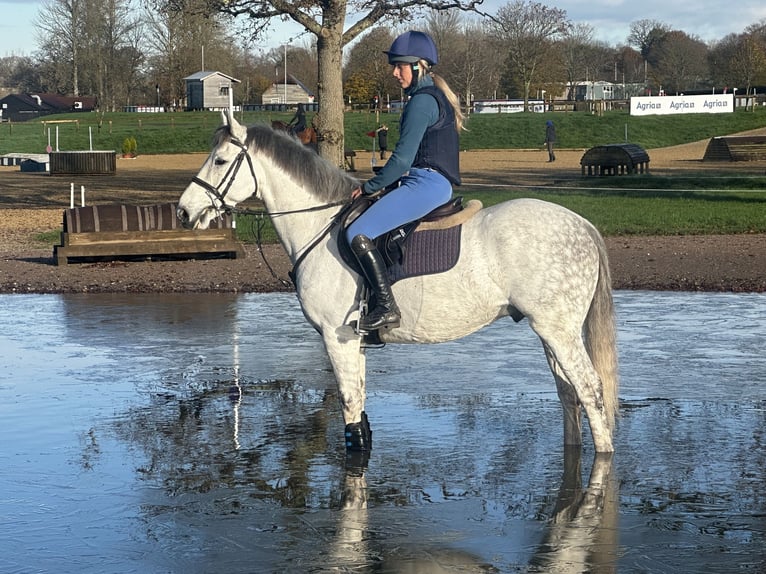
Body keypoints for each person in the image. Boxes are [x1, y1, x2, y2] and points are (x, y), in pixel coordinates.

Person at [347, 30, 465, 331]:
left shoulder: (421, 102)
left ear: (420, 66)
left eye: (400, 65)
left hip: (426, 184)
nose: (394, 72)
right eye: (395, 65)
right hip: (427, 181)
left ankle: (387, 306)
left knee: (357, 231)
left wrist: (369, 187)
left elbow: (400, 161)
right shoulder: (427, 97)